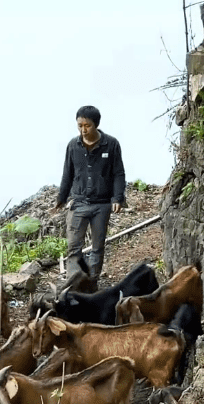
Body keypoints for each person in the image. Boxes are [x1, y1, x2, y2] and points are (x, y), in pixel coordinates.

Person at [55, 105, 126, 279]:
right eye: (80, 125)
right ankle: (74, 282)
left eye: (87, 126)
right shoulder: (73, 145)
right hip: (79, 203)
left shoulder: (111, 144)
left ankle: (92, 283)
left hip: (102, 204)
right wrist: (61, 198)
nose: (83, 130)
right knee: (73, 246)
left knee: (97, 247)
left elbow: (118, 173)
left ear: (96, 125)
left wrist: (117, 197)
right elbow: (68, 173)